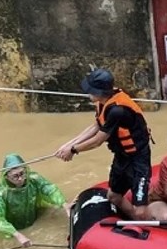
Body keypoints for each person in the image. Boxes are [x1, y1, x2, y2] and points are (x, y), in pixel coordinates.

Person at [54, 68, 152, 220]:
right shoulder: (102, 103)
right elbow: (96, 126)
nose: (88, 94)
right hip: (121, 156)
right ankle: (137, 223)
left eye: (91, 91)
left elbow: (98, 140)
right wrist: (68, 144)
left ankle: (145, 223)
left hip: (137, 158)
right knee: (113, 196)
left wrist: (73, 150)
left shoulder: (117, 110)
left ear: (99, 92)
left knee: (140, 210)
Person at [0, 154, 67, 247]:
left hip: (36, 217)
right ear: (7, 177)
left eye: (22, 173)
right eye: (15, 176)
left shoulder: (33, 179)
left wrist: (63, 203)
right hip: (14, 229)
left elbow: (49, 189)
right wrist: (16, 234)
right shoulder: (0, 194)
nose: (20, 179)